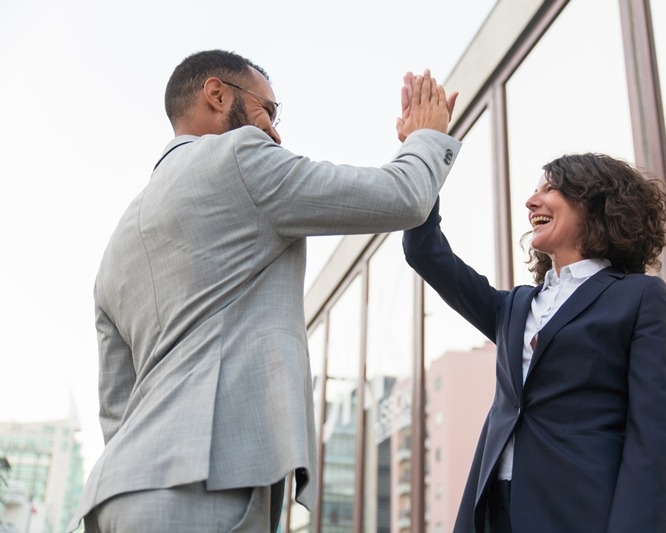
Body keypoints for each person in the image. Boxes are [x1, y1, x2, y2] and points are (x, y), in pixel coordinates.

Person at [68, 49, 459, 532]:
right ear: (217, 94)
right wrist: (427, 136)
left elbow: (115, 408)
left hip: (116, 492)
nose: (274, 131)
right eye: (268, 111)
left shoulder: (116, 245)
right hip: (203, 486)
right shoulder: (240, 157)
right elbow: (404, 196)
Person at [403, 153, 666, 532]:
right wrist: (428, 150)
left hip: (580, 512)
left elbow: (655, 438)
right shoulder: (514, 306)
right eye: (534, 191)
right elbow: (424, 250)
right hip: (493, 510)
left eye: (550, 189)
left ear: (595, 203)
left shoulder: (640, 297)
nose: (531, 201)